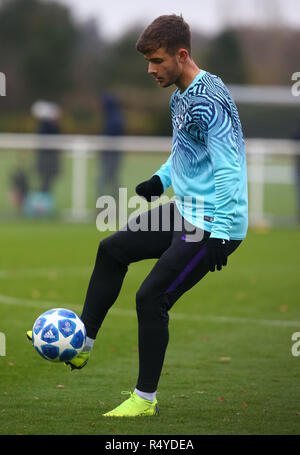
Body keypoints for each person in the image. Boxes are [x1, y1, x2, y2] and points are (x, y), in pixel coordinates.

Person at [27, 14, 248, 417]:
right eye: (148, 61)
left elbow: (229, 167)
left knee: (151, 298)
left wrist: (221, 232)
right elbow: (186, 153)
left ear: (182, 56)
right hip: (185, 211)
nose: (150, 69)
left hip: (212, 223)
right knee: (112, 249)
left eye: (158, 61)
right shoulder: (182, 94)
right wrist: (159, 180)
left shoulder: (207, 99)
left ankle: (144, 400)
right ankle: (82, 344)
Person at [98, 93, 124, 200]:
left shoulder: (114, 118)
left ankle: (107, 203)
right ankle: (113, 202)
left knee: (105, 180)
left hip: (111, 156)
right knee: (110, 179)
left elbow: (111, 136)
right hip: (111, 155)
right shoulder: (112, 116)